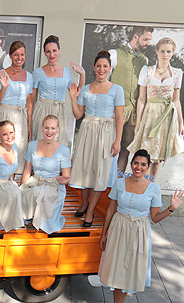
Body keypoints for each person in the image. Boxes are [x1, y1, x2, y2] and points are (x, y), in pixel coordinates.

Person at [98, 149, 184, 303]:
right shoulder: (119, 182)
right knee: (116, 270)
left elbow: (154, 218)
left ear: (148, 166)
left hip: (138, 232)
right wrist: (103, 234)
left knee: (127, 271)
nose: (139, 167)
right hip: (118, 228)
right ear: (131, 164)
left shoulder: (154, 188)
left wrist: (171, 208)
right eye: (136, 163)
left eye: (143, 164)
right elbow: (110, 210)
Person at [69, 51, 124, 227]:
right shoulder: (85, 89)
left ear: (110, 68)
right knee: (85, 169)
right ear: (94, 67)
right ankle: (84, 204)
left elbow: (120, 118)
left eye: (105, 66)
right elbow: (78, 115)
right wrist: (73, 98)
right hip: (87, 131)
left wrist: (117, 141)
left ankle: (91, 211)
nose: (101, 69)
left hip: (106, 133)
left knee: (99, 171)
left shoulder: (117, 89)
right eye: (98, 66)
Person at [127, 37, 184, 179]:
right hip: (150, 114)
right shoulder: (147, 71)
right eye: (163, 51)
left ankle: (151, 185)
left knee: (158, 156)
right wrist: (138, 123)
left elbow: (176, 100)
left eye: (169, 52)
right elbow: (141, 99)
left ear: (172, 53)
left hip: (167, 115)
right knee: (146, 154)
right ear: (157, 52)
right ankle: (140, 184)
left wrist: (181, 123)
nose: (165, 54)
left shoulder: (177, 73)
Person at [109, 26, 154, 176]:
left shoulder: (145, 60)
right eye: (146, 39)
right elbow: (104, 83)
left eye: (149, 40)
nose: (148, 43)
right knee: (109, 148)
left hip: (134, 113)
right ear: (136, 37)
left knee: (125, 150)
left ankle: (117, 182)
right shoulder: (114, 54)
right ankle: (103, 184)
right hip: (116, 112)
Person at [20, 115, 71, 233]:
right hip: (34, 182)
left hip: (53, 186)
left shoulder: (64, 150)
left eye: (53, 128)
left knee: (39, 193)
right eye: (47, 128)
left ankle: (38, 218)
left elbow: (66, 177)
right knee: (26, 193)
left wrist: (65, 180)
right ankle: (28, 215)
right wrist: (21, 189)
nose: (49, 131)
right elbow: (27, 170)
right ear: (42, 128)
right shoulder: (32, 145)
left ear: (57, 129)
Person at [31, 35, 85, 145]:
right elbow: (31, 100)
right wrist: (29, 122)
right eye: (48, 51)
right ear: (44, 53)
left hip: (60, 112)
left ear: (59, 51)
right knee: (41, 143)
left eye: (54, 50)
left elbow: (78, 93)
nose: (51, 55)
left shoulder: (67, 72)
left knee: (58, 145)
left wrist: (82, 74)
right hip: (42, 110)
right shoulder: (37, 72)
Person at [0, 40, 33, 173]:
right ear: (10, 56)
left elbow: (29, 103)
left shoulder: (29, 77)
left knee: (19, 150)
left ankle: (15, 185)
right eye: (16, 54)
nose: (19, 58)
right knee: (2, 150)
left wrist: (29, 124)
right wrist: (4, 87)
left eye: (22, 55)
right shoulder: (0, 74)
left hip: (21, 118)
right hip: (4, 114)